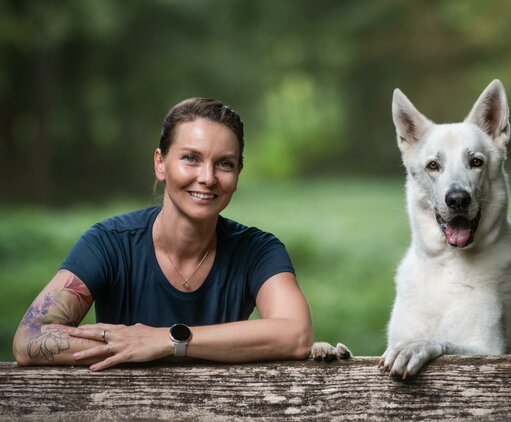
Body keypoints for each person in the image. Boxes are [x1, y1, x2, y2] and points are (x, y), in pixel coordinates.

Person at [12, 98, 315, 371]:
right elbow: (29, 338)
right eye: (191, 158)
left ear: (237, 174)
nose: (207, 178)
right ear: (160, 163)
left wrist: (167, 341)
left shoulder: (258, 250)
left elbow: (296, 334)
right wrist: (133, 344)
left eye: (224, 164)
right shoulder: (109, 242)